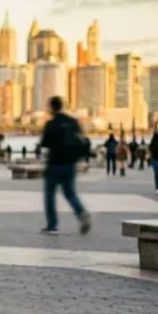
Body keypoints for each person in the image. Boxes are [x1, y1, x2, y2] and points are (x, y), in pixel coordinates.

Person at [38, 97, 92, 235]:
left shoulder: (51, 124)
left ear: (51, 107)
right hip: (70, 164)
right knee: (70, 193)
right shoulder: (73, 122)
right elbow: (81, 140)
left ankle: (52, 226)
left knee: (50, 195)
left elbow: (44, 143)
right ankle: (81, 213)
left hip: (54, 164)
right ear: (62, 106)